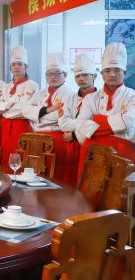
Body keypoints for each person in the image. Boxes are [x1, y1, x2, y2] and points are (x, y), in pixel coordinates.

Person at [76, 42, 135, 175]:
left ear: (125, 73)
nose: (112, 74)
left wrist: (97, 120)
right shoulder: (90, 98)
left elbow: (129, 122)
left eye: (117, 70)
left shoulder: (132, 96)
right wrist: (117, 124)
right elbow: (80, 125)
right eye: (108, 71)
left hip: (122, 154)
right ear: (102, 73)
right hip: (92, 153)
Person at [22, 53, 73, 184]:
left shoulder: (69, 93)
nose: (53, 77)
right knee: (36, 175)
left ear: (65, 75)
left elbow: (59, 117)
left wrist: (37, 116)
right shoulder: (40, 93)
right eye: (49, 74)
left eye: (57, 73)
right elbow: (25, 110)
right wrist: (47, 110)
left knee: (55, 176)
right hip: (37, 138)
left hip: (57, 138)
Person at [0, 46, 39, 172]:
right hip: (6, 127)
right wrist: (8, 105)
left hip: (21, 126)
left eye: (19, 64)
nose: (16, 67)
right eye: (13, 64)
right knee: (6, 158)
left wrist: (5, 109)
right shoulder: (7, 86)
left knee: (21, 158)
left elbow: (23, 108)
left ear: (26, 66)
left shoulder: (32, 85)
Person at [58, 53, 97, 185]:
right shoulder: (70, 98)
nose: (81, 79)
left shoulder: (99, 98)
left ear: (95, 76)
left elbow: (96, 125)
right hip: (70, 146)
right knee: (69, 181)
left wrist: (74, 134)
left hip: (91, 145)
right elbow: (63, 123)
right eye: (78, 76)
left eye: (85, 75)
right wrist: (85, 124)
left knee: (87, 182)